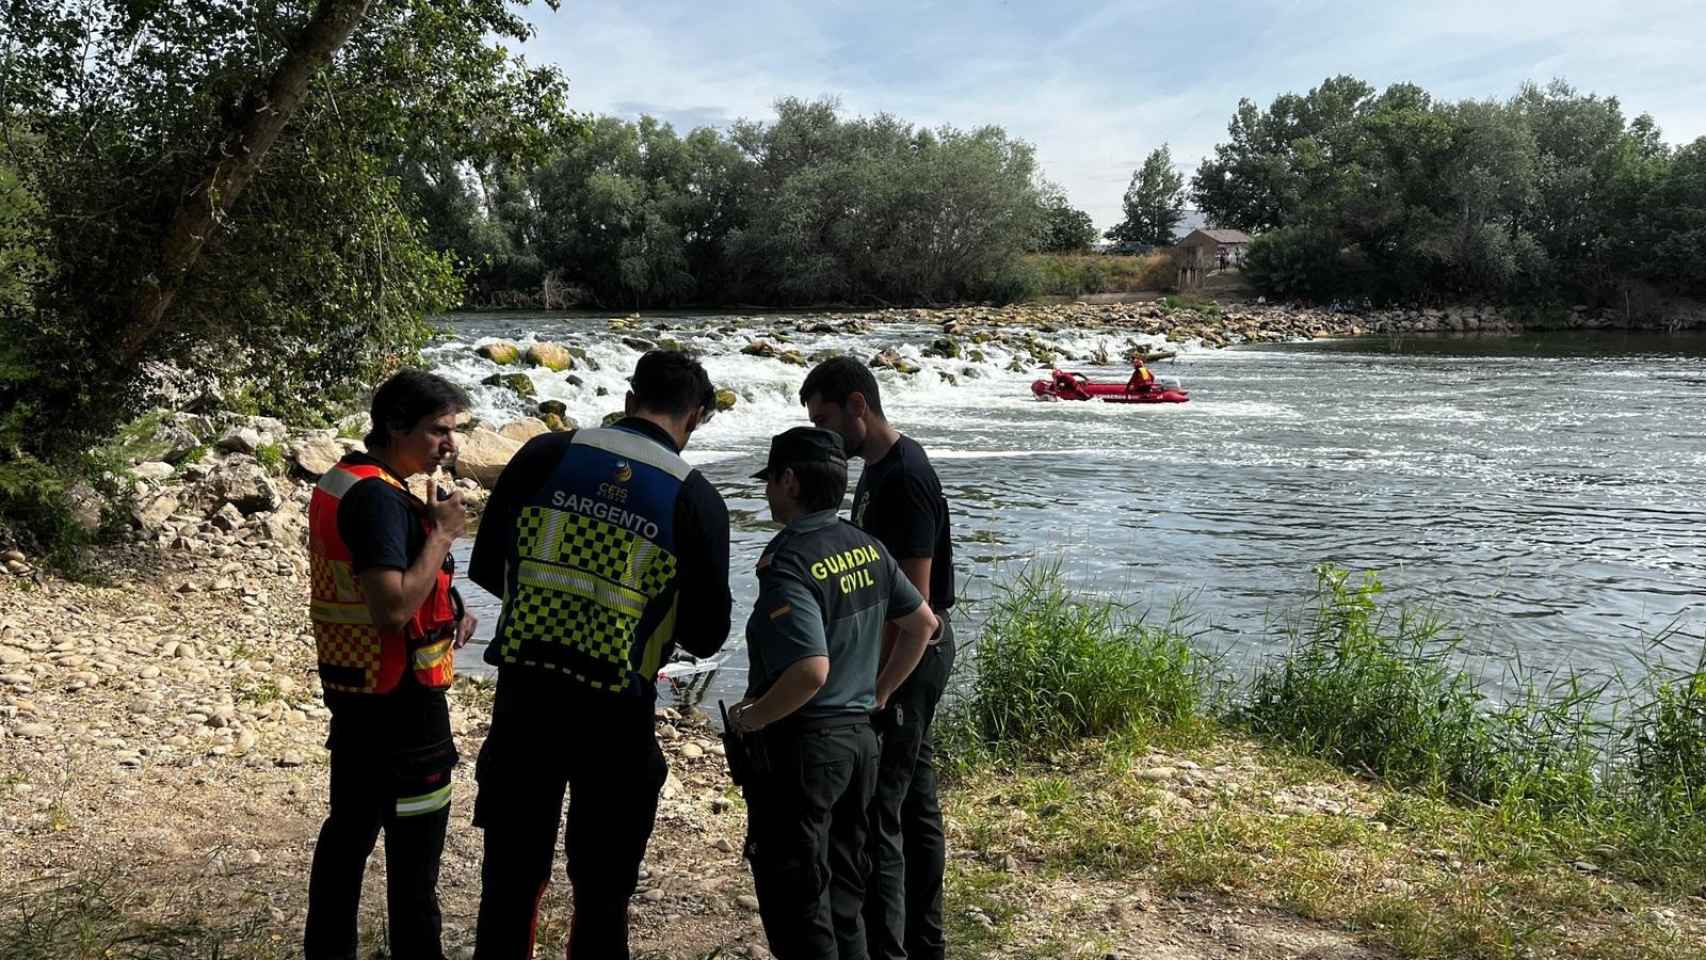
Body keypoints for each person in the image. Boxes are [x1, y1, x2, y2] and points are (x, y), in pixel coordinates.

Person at [467, 350, 733, 960]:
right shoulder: (694, 496)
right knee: (604, 888)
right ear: (694, 415)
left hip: (526, 696)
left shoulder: (545, 453)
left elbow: (487, 566)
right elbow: (708, 634)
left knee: (510, 875)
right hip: (617, 712)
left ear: (631, 396)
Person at [730, 426, 938, 960]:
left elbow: (809, 670)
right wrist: (879, 693)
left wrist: (752, 718)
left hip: (806, 750)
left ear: (791, 482)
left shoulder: (790, 561)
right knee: (847, 891)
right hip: (859, 745)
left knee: (798, 901)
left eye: (770, 481)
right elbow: (922, 625)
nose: (767, 493)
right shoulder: (867, 547)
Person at [304, 369, 478, 960]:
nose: (450, 445)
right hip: (402, 708)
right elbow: (391, 607)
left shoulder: (346, 479)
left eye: (452, 431)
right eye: (438, 431)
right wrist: (443, 536)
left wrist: (449, 606)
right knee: (415, 858)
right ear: (395, 426)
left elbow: (388, 590)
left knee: (348, 834)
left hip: (354, 688)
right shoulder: (380, 499)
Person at [799, 357, 956, 960]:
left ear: (858, 405)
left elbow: (913, 605)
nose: (823, 433)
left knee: (882, 812)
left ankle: (892, 946)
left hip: (912, 656)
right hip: (905, 654)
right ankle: (923, 941)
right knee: (912, 799)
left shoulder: (905, 478)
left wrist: (878, 689)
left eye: (826, 419)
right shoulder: (874, 467)